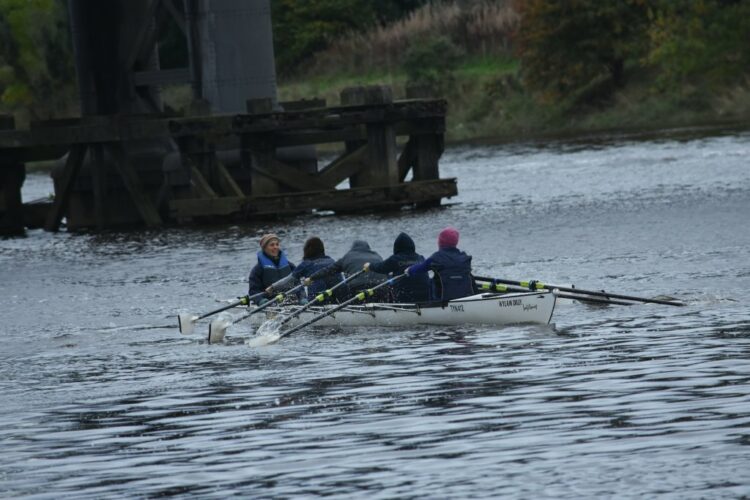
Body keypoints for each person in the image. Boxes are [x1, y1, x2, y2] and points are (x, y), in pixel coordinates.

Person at [265, 236, 345, 303]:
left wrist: (272, 287)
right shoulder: (331, 261)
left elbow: (289, 280)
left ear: (307, 250)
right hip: (339, 300)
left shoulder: (306, 264)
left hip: (317, 302)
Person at [405, 226, 474, 302]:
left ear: (440, 242)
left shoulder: (437, 257)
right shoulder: (464, 257)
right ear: (455, 242)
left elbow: (421, 267)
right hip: (465, 298)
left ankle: (432, 303)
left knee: (431, 281)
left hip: (443, 301)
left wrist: (409, 270)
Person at [363, 232, 430, 303]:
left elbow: (381, 268)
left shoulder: (395, 259)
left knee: (390, 282)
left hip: (405, 298)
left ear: (396, 247)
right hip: (425, 297)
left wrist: (369, 266)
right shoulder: (421, 258)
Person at [308, 240, 387, 300]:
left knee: (342, 288)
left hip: (357, 288)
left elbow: (328, 270)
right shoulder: (377, 256)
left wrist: (311, 278)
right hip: (380, 288)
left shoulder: (347, 257)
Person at [247, 233, 295, 302]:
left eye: (277, 244)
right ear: (264, 248)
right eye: (272, 245)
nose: (275, 247)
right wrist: (261, 301)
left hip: (291, 300)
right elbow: (253, 291)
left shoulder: (290, 266)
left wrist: (303, 298)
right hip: (270, 303)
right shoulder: (257, 270)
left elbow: (298, 284)